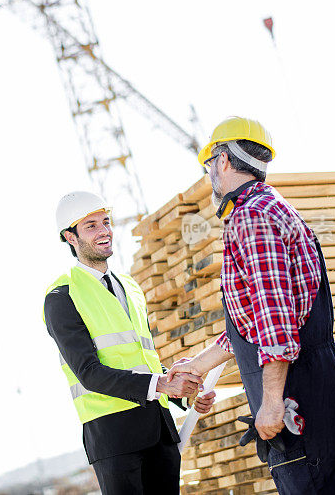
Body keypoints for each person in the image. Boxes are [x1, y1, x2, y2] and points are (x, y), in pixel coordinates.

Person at [167, 116, 335, 494]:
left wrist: (272, 401)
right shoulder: (268, 207)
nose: (210, 176)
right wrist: (197, 365)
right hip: (309, 380)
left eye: (210, 166)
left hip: (294, 394)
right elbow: (252, 321)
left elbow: (274, 319)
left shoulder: (251, 216)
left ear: (222, 161)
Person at [43, 191, 216, 495]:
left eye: (105, 222)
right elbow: (89, 373)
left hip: (159, 429)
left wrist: (184, 395)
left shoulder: (131, 287)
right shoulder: (62, 297)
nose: (104, 231)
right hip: (114, 436)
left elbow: (143, 359)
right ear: (70, 237)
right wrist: (163, 384)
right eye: (91, 226)